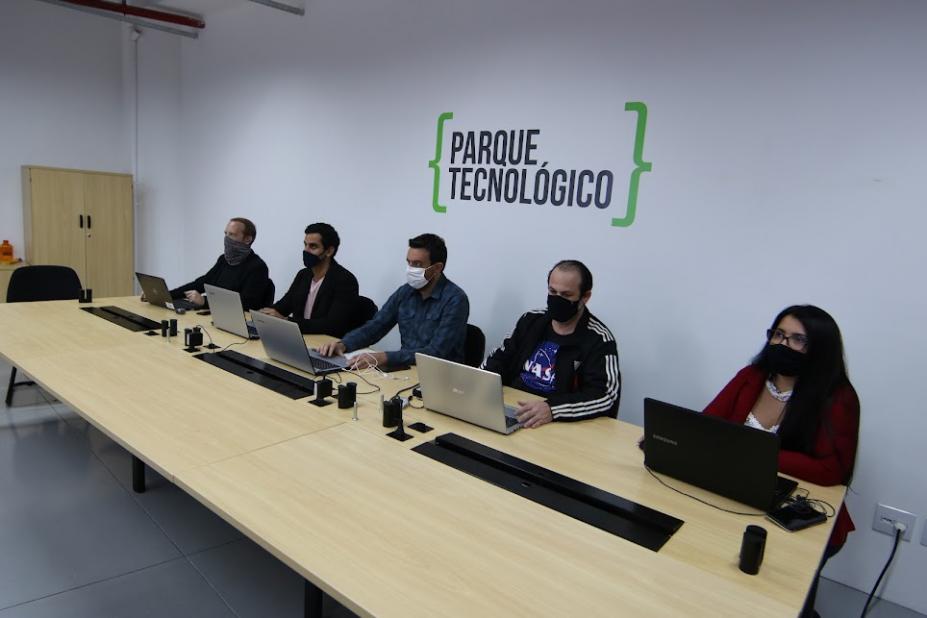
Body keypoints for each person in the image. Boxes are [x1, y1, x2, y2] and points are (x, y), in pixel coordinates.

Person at [703, 305, 859, 617]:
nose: (782, 345)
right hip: (741, 496)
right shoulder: (751, 377)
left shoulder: (838, 398)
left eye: (797, 339)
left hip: (799, 515)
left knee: (784, 603)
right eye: (778, 335)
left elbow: (831, 470)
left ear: (820, 349)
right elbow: (708, 424)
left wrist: (756, 453)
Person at [481, 260, 620, 429]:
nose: (557, 299)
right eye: (552, 291)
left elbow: (605, 396)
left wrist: (553, 409)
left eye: (566, 295)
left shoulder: (599, 339)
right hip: (514, 408)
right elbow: (499, 357)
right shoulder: (531, 320)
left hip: (557, 420)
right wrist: (479, 383)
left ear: (585, 297)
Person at [317, 233, 468, 369]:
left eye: (417, 264)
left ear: (437, 268)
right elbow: (376, 326)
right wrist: (343, 344)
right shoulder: (405, 292)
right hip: (406, 370)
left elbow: (436, 352)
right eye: (409, 262)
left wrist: (385, 357)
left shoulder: (455, 300)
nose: (410, 269)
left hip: (441, 378)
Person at [259, 223, 360, 337]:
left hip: (324, 345)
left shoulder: (345, 280)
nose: (306, 250)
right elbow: (283, 307)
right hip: (298, 338)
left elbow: (333, 326)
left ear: (329, 251)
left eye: (313, 246)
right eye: (305, 245)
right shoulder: (303, 275)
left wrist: (287, 321)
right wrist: (263, 315)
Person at [166, 217, 271, 310]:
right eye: (226, 234)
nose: (226, 239)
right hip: (217, 316)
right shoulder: (224, 260)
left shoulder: (258, 267)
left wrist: (204, 301)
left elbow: (247, 303)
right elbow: (203, 282)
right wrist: (167, 295)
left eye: (232, 235)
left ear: (248, 239)